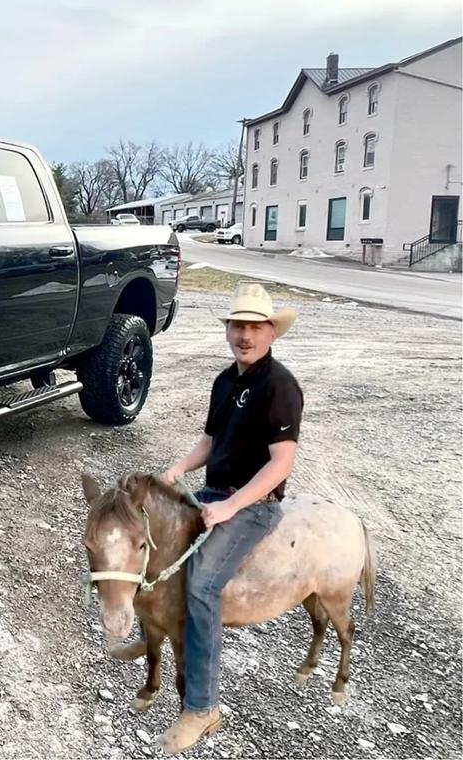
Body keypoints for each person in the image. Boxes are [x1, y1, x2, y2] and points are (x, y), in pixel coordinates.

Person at [158, 283, 303, 754]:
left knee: (200, 584)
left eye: (254, 327)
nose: (245, 335)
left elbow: (281, 464)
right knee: (153, 541)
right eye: (237, 325)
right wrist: (178, 470)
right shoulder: (225, 380)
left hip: (253, 504)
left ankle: (202, 709)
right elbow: (211, 442)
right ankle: (155, 639)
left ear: (270, 333)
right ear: (229, 331)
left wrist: (231, 506)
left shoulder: (279, 385)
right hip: (215, 492)